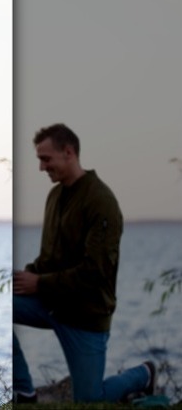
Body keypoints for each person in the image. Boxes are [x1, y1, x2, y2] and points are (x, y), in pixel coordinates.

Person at [13, 123, 155, 403]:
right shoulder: (55, 196)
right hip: (50, 303)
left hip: (84, 316)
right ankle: (25, 392)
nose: (42, 167)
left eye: (46, 159)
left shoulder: (101, 201)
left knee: (89, 401)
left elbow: (95, 273)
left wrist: (39, 283)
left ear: (69, 152)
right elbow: (49, 259)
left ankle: (143, 374)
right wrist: (26, 276)